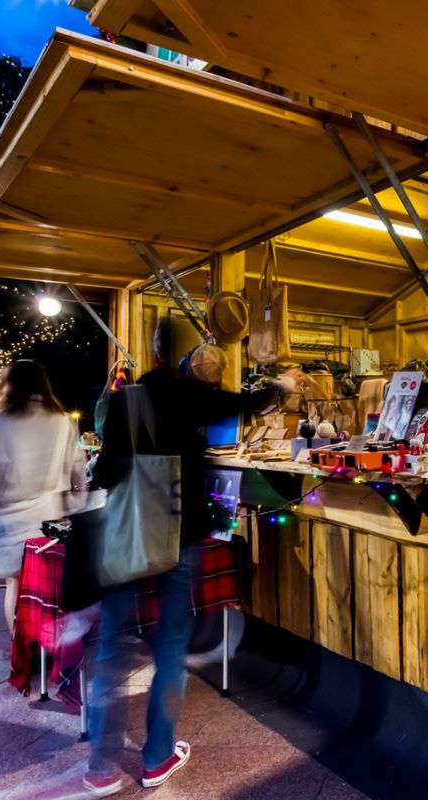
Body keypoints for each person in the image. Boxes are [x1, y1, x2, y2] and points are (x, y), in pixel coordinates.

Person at [84, 317, 278, 796]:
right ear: (190, 359)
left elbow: (103, 473)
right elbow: (248, 402)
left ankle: (101, 767)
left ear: (155, 353)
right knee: (171, 647)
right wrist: (284, 384)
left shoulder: (126, 399)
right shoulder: (194, 396)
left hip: (127, 534)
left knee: (111, 648)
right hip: (180, 535)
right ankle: (157, 757)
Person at [0, 360, 85, 630]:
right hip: (51, 518)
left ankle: (22, 646)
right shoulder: (63, 422)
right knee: (48, 586)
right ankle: (49, 643)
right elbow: (78, 471)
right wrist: (74, 506)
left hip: (11, 522)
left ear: (8, 385)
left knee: (16, 585)